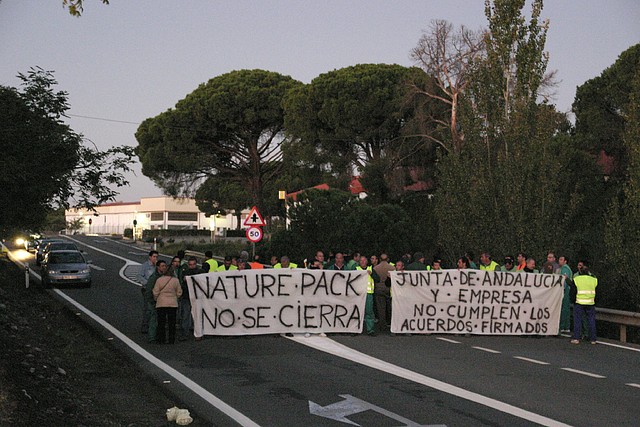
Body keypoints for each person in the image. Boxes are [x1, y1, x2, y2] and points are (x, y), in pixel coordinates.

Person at [153, 263, 182, 344]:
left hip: (161, 303)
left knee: (161, 322)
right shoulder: (175, 280)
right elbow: (179, 292)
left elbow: (155, 292)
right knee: (172, 323)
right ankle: (171, 339)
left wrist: (156, 299)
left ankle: (161, 339)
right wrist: (175, 297)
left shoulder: (159, 280)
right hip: (172, 303)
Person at [571, 260, 598, 344]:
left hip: (579, 302)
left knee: (578, 320)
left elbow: (573, 291)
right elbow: (598, 291)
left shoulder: (576, 279)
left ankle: (576, 338)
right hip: (590, 303)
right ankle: (593, 339)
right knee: (591, 321)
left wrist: (573, 300)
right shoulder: (594, 279)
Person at [179, 257, 203, 341]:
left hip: (197, 297)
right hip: (187, 296)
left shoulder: (200, 272)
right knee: (186, 315)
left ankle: (198, 332)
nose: (192, 266)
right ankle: (184, 333)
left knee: (197, 315)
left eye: (193, 264)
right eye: (190, 265)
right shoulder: (185, 272)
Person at [143, 259, 166, 343]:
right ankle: (152, 337)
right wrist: (151, 301)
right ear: (158, 267)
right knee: (153, 319)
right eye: (162, 266)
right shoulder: (154, 278)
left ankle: (158, 335)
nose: (164, 268)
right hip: (154, 302)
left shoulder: (165, 277)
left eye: (165, 266)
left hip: (162, 302)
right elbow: (149, 290)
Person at [356, 256, 379, 336]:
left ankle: (370, 330)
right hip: (358, 294)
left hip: (368, 293)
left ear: (367, 261)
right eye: (361, 260)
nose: (362, 262)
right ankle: (356, 329)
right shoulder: (356, 269)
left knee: (369, 312)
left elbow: (377, 279)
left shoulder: (371, 269)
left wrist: (372, 274)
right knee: (357, 312)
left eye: (364, 260)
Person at [138, 250, 159, 334]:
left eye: (156, 257)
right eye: (154, 257)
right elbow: (139, 276)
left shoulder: (157, 266)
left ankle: (153, 325)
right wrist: (147, 283)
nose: (155, 258)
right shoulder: (145, 266)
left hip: (156, 290)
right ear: (150, 257)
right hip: (147, 289)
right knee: (147, 308)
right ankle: (145, 326)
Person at [374, 253, 395, 332]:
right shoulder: (392, 268)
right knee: (390, 308)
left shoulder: (376, 268)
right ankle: (391, 323)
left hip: (379, 289)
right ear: (388, 259)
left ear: (379, 259)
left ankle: (382, 325)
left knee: (381, 308)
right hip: (389, 289)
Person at [558, 255, 573, 334]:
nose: (559, 261)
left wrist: (562, 289)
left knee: (564, 309)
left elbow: (564, 280)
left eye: (561, 259)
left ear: (565, 261)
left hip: (565, 291)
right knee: (566, 308)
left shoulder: (565, 269)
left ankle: (563, 326)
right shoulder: (567, 268)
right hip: (567, 291)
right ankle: (566, 327)